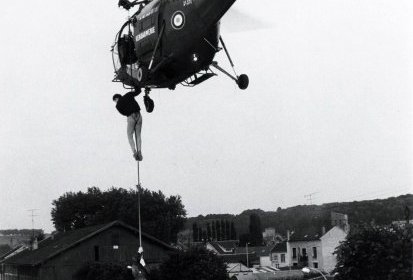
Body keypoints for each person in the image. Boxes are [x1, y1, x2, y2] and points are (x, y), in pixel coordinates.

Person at [113, 89, 143, 161]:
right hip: (139, 115)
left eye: (114, 101)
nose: (115, 102)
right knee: (138, 135)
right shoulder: (128, 94)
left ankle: (135, 153)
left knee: (130, 136)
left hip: (130, 117)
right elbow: (138, 91)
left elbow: (123, 113)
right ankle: (139, 151)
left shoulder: (117, 106)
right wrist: (135, 87)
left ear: (116, 98)